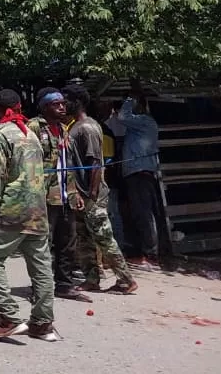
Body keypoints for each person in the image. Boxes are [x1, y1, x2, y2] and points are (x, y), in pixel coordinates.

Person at [0, 89, 60, 341]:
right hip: (37, 208)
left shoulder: (1, 134)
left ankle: (10, 315)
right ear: (20, 106)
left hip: (12, 209)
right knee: (41, 267)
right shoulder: (31, 134)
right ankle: (43, 322)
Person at [63, 85, 138, 294]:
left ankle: (126, 280)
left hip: (91, 195)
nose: (62, 104)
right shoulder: (74, 126)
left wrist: (92, 194)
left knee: (103, 238)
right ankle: (91, 278)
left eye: (66, 99)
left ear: (77, 102)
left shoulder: (87, 127)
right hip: (79, 194)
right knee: (84, 239)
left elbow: (95, 162)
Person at [28, 88, 90, 302]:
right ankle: (39, 288)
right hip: (44, 196)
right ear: (45, 107)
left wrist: (75, 192)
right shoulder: (34, 127)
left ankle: (63, 284)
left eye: (63, 103)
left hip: (65, 195)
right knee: (42, 245)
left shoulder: (64, 129)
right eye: (56, 104)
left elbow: (67, 164)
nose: (62, 107)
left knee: (68, 242)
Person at [115, 90, 161, 269]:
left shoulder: (144, 121)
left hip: (140, 172)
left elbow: (122, 116)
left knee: (144, 215)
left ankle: (151, 256)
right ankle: (146, 253)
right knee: (139, 214)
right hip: (136, 173)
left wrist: (129, 99)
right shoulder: (139, 126)